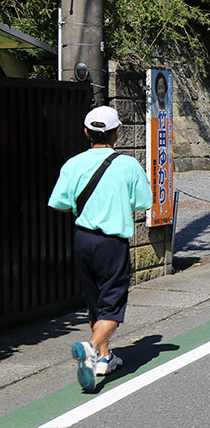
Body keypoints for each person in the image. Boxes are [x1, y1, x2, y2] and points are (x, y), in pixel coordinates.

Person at [48, 106, 152, 392]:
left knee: (94, 302)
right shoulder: (128, 165)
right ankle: (92, 348)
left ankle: (105, 358)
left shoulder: (73, 164)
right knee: (112, 307)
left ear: (86, 133)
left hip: (83, 239)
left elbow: (59, 203)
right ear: (117, 133)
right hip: (112, 242)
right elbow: (144, 201)